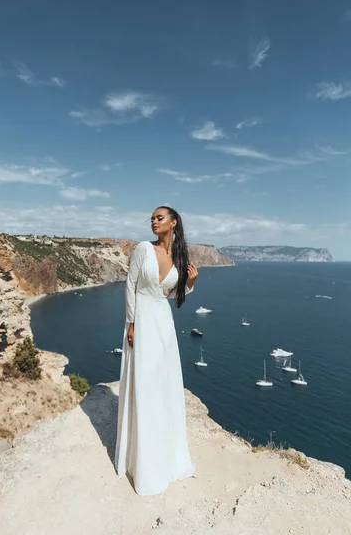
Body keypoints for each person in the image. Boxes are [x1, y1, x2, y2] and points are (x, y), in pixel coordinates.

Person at [115, 206, 199, 496]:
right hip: (142, 320)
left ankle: (166, 455)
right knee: (145, 385)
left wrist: (190, 283)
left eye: (159, 217)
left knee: (163, 385)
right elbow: (130, 286)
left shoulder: (179, 257)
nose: (153, 221)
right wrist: (131, 322)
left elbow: (172, 295)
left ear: (173, 222)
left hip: (163, 323)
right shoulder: (142, 249)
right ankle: (141, 460)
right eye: (151, 217)